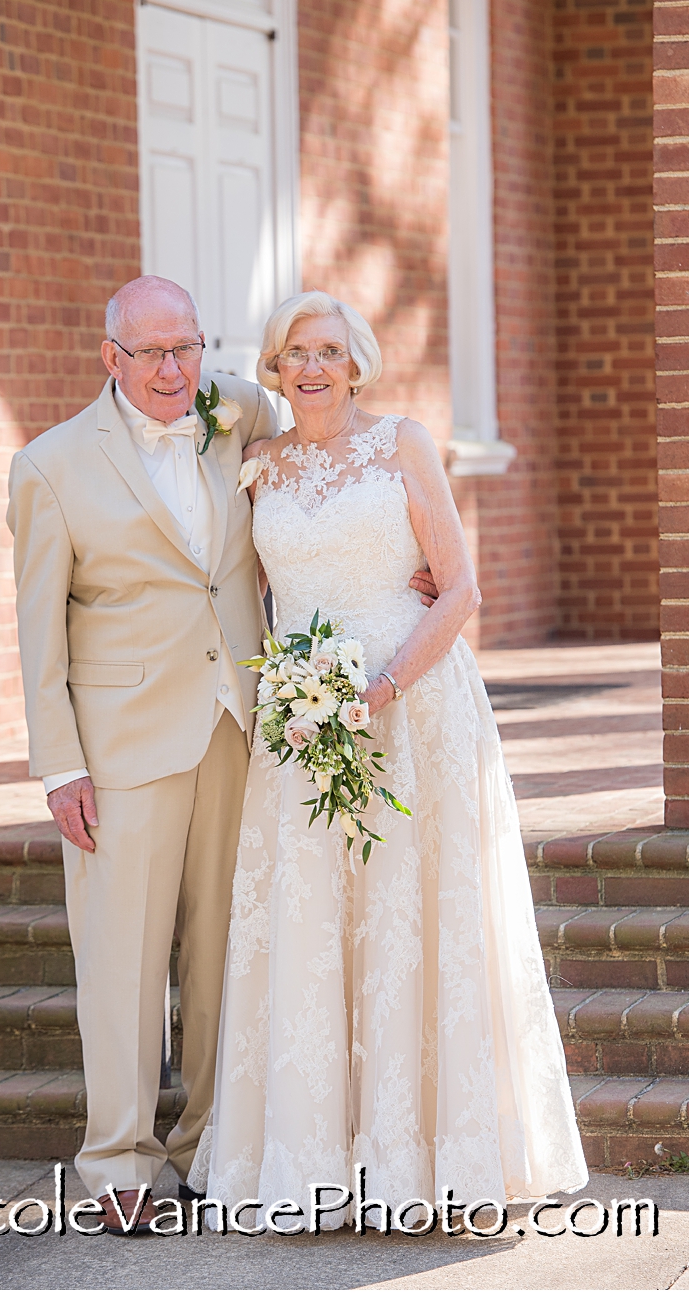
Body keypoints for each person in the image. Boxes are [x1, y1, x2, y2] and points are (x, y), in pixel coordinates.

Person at [188, 290, 587, 1222]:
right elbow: (253, 602)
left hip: (415, 711)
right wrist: (295, 695)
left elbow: (459, 591)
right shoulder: (255, 469)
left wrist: (384, 687)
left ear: (356, 361)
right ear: (276, 370)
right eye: (294, 353)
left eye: (329, 349)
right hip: (304, 727)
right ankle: (316, 1158)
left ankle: (431, 1160)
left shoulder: (404, 443)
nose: (313, 367)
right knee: (318, 930)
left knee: (418, 925)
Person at [5, 276, 286, 1232]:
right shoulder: (48, 467)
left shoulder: (235, 411)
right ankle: (118, 1156)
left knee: (220, 951)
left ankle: (211, 1141)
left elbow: (328, 445)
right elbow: (37, 637)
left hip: (234, 726)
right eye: (151, 353)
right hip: (119, 746)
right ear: (109, 356)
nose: (172, 371)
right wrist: (59, 767)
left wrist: (398, 541)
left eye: (187, 348)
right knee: (122, 957)